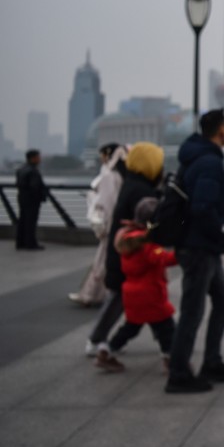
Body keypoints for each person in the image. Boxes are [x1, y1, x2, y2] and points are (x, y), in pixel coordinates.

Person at [166, 108, 224, 393]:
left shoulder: (195, 157)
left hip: (198, 246)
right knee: (193, 311)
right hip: (199, 248)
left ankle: (212, 362)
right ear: (221, 130)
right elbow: (203, 208)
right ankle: (178, 374)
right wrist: (221, 231)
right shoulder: (209, 162)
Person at [86, 142, 165, 359]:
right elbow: (150, 221)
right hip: (132, 256)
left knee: (140, 302)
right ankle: (98, 340)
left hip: (124, 252)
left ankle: (166, 340)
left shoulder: (131, 183)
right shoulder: (142, 190)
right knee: (123, 301)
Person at [96, 197, 178, 373]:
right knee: (166, 327)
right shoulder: (147, 244)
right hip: (150, 294)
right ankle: (170, 358)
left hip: (132, 293)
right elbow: (164, 258)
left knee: (131, 327)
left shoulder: (128, 239)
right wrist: (180, 253)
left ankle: (107, 349)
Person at [70, 143, 128, 307]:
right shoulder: (120, 174)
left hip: (109, 223)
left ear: (107, 154)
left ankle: (92, 294)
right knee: (106, 260)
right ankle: (95, 293)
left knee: (102, 261)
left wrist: (101, 224)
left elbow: (106, 203)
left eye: (102, 154)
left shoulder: (108, 175)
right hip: (117, 223)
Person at [15, 149, 47, 250]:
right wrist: (41, 196)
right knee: (31, 222)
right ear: (33, 158)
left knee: (23, 221)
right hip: (32, 200)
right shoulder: (33, 171)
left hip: (22, 197)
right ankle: (31, 244)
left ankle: (20, 242)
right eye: (38, 157)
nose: (40, 159)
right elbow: (35, 186)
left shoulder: (21, 169)